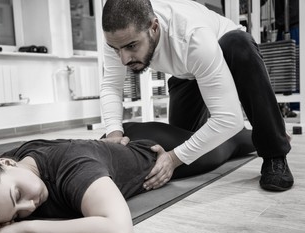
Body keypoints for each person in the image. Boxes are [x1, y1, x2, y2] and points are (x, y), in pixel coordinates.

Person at [0, 122, 255, 233]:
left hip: (161, 150)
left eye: (18, 197)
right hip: (114, 146)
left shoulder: (73, 168)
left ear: (6, 163)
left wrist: (24, 228)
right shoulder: (1, 173)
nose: (29, 205)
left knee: (237, 140)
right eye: (15, 214)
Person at [100, 0, 294, 192]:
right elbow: (111, 85)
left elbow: (228, 119)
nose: (124, 59)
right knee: (189, 145)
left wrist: (172, 159)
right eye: (116, 49)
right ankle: (252, 136)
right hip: (186, 72)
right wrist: (114, 133)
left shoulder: (192, 36)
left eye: (132, 46)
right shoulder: (119, 37)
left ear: (154, 27)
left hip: (224, 50)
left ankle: (274, 151)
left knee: (238, 43)